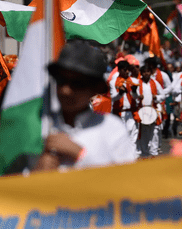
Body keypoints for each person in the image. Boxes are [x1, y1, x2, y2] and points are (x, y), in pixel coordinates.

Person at [35, 40, 136, 171]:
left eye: (77, 83)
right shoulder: (39, 125)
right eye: (61, 80)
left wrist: (81, 155)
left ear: (95, 88)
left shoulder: (112, 129)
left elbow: (128, 179)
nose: (66, 90)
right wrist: (34, 173)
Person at [136, 65, 165, 157]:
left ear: (150, 73)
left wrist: (156, 97)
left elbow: (163, 95)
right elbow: (133, 96)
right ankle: (144, 154)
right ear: (141, 73)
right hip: (142, 111)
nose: (146, 74)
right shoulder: (137, 83)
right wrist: (138, 97)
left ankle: (154, 153)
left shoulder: (155, 83)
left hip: (153, 110)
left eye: (148, 71)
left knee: (155, 133)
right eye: (144, 72)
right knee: (144, 134)